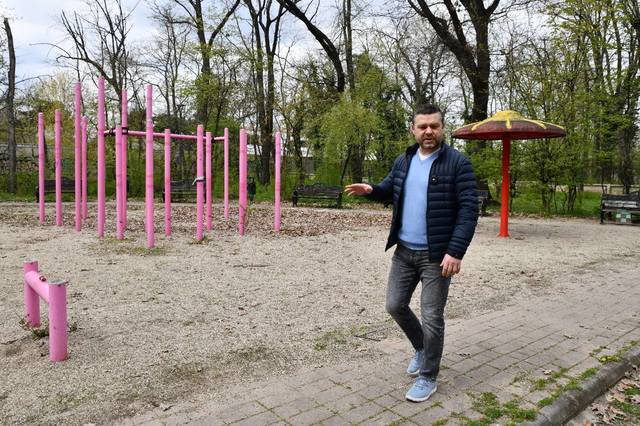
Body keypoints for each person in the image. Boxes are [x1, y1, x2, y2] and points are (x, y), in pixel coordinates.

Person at [345, 103, 478, 402]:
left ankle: (428, 376)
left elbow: (469, 210)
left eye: (434, 126)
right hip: (404, 252)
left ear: (442, 128)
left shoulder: (458, 163)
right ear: (413, 130)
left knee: (432, 316)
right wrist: (372, 190)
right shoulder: (404, 160)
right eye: (422, 126)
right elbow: (390, 188)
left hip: (437, 257)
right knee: (395, 305)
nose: (428, 131)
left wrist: (456, 251)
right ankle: (421, 347)